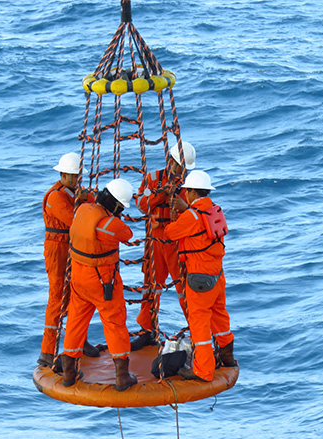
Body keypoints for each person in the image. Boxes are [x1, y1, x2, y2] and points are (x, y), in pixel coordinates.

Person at [61, 178, 138, 391]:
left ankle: (69, 372)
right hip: (103, 282)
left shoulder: (83, 210)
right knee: (115, 323)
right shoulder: (110, 224)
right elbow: (127, 234)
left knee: (76, 322)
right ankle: (122, 376)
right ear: (116, 205)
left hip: (78, 278)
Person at [163, 170, 236, 381]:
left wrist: (178, 214)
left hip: (199, 279)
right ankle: (227, 357)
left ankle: (203, 370)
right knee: (220, 316)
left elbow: (170, 233)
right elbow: (201, 225)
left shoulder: (191, 216)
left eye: (186, 191)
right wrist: (186, 210)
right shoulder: (214, 210)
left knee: (199, 322)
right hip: (217, 275)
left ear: (193, 191)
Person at [130, 141, 196, 351]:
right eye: (180, 166)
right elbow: (142, 205)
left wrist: (183, 207)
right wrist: (163, 193)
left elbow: (196, 215)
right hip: (155, 240)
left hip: (178, 241)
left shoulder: (190, 184)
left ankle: (197, 331)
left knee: (185, 288)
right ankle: (147, 331)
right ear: (171, 161)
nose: (182, 171)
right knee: (151, 285)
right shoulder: (152, 179)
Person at [38, 152, 99, 367]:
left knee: (77, 295)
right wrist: (83, 201)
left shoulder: (74, 192)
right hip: (57, 250)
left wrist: (87, 198)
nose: (75, 181)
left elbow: (95, 204)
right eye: (72, 177)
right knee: (56, 298)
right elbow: (75, 219)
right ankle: (47, 351)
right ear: (63, 175)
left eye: (77, 176)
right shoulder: (55, 196)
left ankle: (79, 342)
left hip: (73, 248)